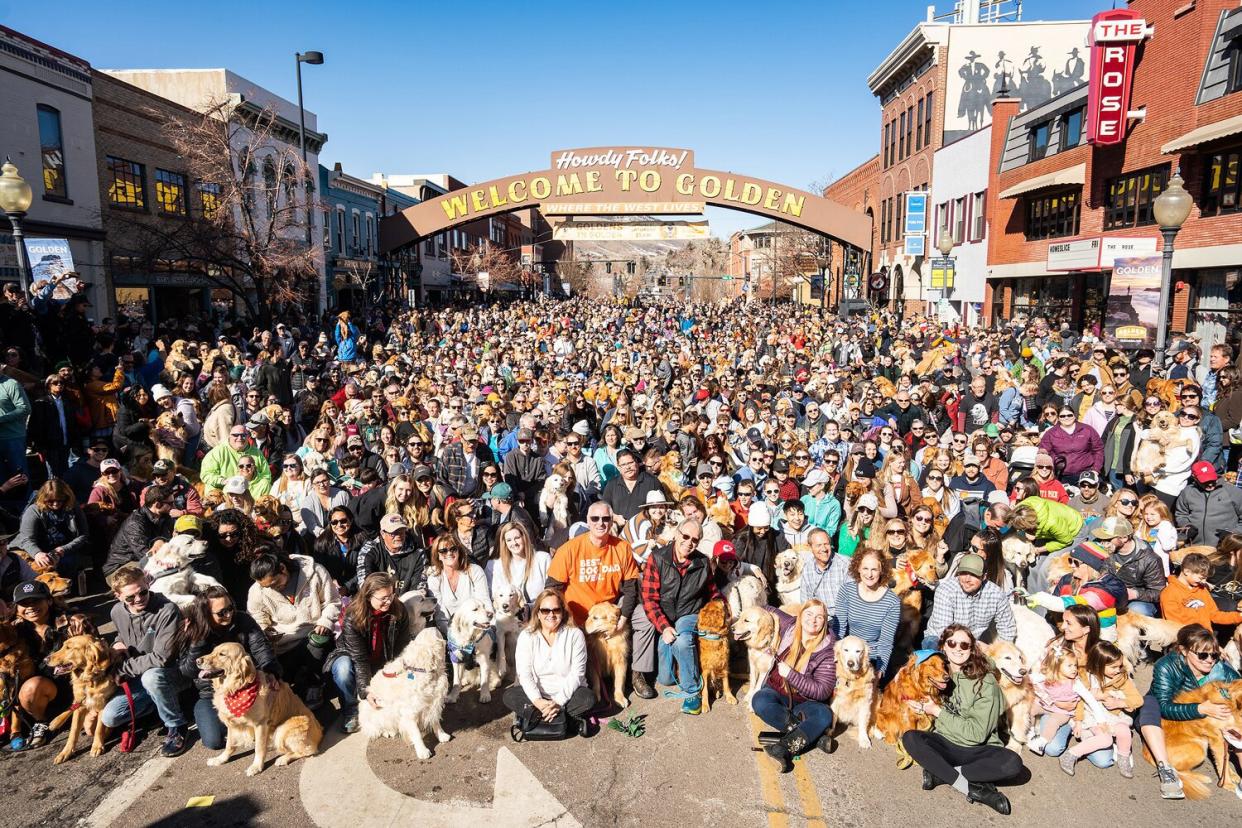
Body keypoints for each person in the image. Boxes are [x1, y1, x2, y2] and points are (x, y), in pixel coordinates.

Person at [902, 625, 1023, 815]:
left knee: (1013, 763)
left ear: (972, 648)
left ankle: (943, 775)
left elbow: (976, 734)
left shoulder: (986, 683)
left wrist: (937, 711)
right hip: (947, 743)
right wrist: (922, 708)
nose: (958, 648)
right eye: (952, 643)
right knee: (910, 738)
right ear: (944, 646)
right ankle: (974, 787)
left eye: (964, 645)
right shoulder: (940, 674)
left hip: (978, 748)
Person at [545, 501, 651, 699]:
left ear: (612, 521)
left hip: (610, 611)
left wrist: (624, 617)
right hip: (577, 615)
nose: (600, 523)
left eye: (605, 519)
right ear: (587, 521)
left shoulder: (622, 547)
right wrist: (564, 620)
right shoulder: (569, 549)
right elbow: (552, 589)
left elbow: (630, 588)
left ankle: (638, 674)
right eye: (595, 518)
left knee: (644, 618)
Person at [1138, 624, 1242, 799]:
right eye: (1203, 655)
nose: (1209, 660)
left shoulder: (1221, 669)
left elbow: (1238, 687)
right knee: (1150, 705)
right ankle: (1166, 768)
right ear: (1184, 651)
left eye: (1214, 655)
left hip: (1194, 720)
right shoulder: (1166, 665)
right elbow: (1165, 706)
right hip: (1164, 712)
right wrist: (1200, 708)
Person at [101, 563, 190, 758]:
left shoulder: (166, 610)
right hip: (137, 674)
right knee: (110, 717)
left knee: (152, 678)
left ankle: (176, 726)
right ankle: (158, 705)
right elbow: (123, 635)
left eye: (143, 592)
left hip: (171, 672)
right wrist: (118, 644)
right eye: (130, 597)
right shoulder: (117, 612)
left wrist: (123, 669)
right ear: (118, 596)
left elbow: (162, 657)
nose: (139, 599)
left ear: (148, 584)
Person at [176, 585, 280, 751]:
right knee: (214, 741)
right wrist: (199, 640)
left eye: (230, 608)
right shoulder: (193, 631)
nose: (229, 614)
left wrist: (271, 671)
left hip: (246, 686)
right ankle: (241, 727)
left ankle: (253, 727)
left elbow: (261, 648)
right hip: (211, 693)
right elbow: (188, 671)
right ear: (205, 614)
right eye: (221, 612)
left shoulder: (243, 620)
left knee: (268, 713)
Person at [640, 519, 717, 715]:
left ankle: (692, 692)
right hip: (665, 616)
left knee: (682, 641)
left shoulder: (703, 562)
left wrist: (722, 608)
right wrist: (663, 626)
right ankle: (686, 666)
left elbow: (712, 592)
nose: (689, 542)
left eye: (695, 539)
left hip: (689, 613)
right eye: (685, 536)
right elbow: (649, 599)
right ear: (676, 534)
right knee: (665, 679)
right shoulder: (657, 559)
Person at [752, 600, 837, 773]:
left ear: (825, 620)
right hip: (776, 690)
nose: (813, 620)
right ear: (801, 615)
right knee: (759, 701)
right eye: (809, 614)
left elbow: (822, 691)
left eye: (819, 617)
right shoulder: (789, 624)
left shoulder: (828, 649)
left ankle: (782, 748)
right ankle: (816, 737)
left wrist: (791, 675)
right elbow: (765, 608)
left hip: (805, 701)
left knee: (824, 715)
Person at [246, 551, 341, 706]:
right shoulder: (257, 590)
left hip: (313, 633)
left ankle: (315, 684)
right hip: (282, 641)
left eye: (274, 583)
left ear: (283, 568)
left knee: (315, 647)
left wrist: (325, 621)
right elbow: (257, 617)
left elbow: (333, 601)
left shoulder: (315, 572)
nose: (272, 588)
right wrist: (266, 631)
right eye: (267, 586)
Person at [504, 588, 596, 737]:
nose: (551, 615)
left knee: (588, 698)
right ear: (538, 613)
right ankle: (564, 719)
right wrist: (538, 701)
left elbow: (577, 674)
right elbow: (524, 674)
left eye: (556, 610)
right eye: (545, 610)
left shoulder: (575, 634)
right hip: (537, 694)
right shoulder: (527, 636)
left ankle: (536, 717)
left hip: (568, 695)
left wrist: (558, 702)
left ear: (563, 612)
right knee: (510, 695)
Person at [330, 572, 411, 734]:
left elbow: (402, 647)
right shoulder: (353, 616)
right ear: (368, 596)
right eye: (383, 598)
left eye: (391, 595)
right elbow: (360, 659)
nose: (389, 601)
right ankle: (351, 707)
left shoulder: (399, 610)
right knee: (343, 669)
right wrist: (366, 691)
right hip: (353, 656)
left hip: (384, 658)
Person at [1060, 641, 1142, 778]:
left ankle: (1124, 757)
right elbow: (1079, 700)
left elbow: (1138, 700)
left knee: (1125, 731)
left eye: (1120, 666)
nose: (1118, 670)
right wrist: (1078, 721)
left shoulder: (1121, 678)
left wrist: (1119, 702)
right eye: (1114, 667)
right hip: (1093, 717)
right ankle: (1071, 754)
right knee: (1106, 739)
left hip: (1114, 716)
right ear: (1099, 664)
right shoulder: (1086, 678)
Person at [7, 579, 68, 751]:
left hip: (70, 687)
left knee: (31, 687)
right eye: (24, 603)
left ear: (49, 600)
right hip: (36, 695)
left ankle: (42, 723)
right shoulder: (14, 631)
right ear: (17, 608)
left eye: (36, 601)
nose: (30, 607)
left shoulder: (71, 622)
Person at [921, 553, 1016, 650]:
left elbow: (1007, 628)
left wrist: (997, 651)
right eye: (963, 573)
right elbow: (944, 631)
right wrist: (974, 646)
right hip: (940, 639)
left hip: (974, 643)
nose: (967, 579)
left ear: (984, 577)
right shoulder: (945, 591)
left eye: (973, 575)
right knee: (935, 653)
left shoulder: (996, 594)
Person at [832, 547, 900, 676]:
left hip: (872, 656)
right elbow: (838, 629)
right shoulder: (847, 590)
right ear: (858, 568)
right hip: (847, 653)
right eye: (865, 569)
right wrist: (835, 659)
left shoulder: (892, 602)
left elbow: (885, 642)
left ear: (881, 571)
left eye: (874, 569)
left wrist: (881, 669)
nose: (869, 574)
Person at [16, 479, 90, 581]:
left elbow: (83, 534)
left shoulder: (73, 508)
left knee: (70, 561)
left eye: (60, 500)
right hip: (37, 550)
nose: (55, 504)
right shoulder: (33, 511)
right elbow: (26, 539)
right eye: (50, 501)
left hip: (63, 549)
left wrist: (64, 549)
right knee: (41, 566)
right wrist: (37, 553)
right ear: (43, 498)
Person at [1095, 516, 1164, 618]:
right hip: (1111, 593)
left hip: (1138, 600)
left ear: (1124, 538)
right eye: (1102, 538)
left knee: (1137, 610)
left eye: (1108, 538)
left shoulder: (1150, 559)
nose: (1103, 542)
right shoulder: (1107, 550)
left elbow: (1159, 592)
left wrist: (1134, 594)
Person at [426, 534, 490, 637]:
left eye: (453, 549)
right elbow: (440, 615)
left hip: (479, 630)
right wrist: (454, 637)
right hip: (450, 634)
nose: (449, 553)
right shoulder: (434, 578)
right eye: (443, 551)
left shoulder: (475, 571)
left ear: (459, 551)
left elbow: (485, 603)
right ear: (437, 555)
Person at [1159, 551, 1242, 629]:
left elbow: (1215, 615)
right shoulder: (1169, 593)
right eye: (1201, 578)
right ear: (1186, 571)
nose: (1204, 582)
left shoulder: (1202, 590)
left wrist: (1239, 616)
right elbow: (1175, 624)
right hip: (1187, 639)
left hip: (1206, 638)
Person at [103, 485, 173, 575]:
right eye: (170, 503)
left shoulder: (165, 517)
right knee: (163, 572)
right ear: (157, 504)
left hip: (142, 561)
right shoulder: (135, 523)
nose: (173, 506)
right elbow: (145, 555)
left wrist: (160, 540)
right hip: (120, 567)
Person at [356, 513, 429, 596]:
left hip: (408, 603)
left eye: (402, 531)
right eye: (393, 533)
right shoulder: (369, 551)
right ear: (383, 533)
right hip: (379, 601)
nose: (399, 536)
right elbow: (365, 585)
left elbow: (420, 588)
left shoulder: (417, 553)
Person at [1174, 460, 1242, 546]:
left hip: (1223, 547)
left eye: (1212, 480)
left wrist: (1232, 533)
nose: (1210, 484)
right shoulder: (1187, 492)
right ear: (1194, 477)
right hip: (1195, 546)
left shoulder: (1232, 492)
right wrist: (1186, 526)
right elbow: (1181, 514)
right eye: (1205, 481)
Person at [486, 521, 551, 609]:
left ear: (524, 538)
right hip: (510, 617)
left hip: (538, 613)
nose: (514, 543)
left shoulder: (543, 559)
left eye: (517, 538)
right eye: (509, 540)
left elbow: (550, 592)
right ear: (504, 543)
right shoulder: (495, 565)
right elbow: (494, 596)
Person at [311, 506, 367, 596]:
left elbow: (366, 568)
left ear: (351, 520)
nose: (339, 525)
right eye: (334, 522)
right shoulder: (322, 543)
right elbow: (319, 568)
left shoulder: (363, 539)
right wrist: (331, 580)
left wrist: (347, 587)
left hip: (359, 589)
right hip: (331, 589)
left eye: (343, 521)